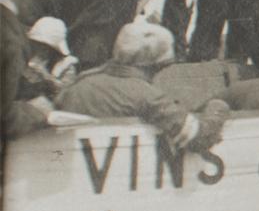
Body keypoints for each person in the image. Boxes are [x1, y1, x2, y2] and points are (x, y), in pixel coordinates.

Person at [56, 20, 229, 151]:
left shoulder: (79, 84)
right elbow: (198, 137)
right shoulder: (148, 96)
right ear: (155, 65)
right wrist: (217, 107)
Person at [2, 0, 63, 138]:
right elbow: (4, 118)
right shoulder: (9, 37)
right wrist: (36, 114)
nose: (41, 13)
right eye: (42, 4)